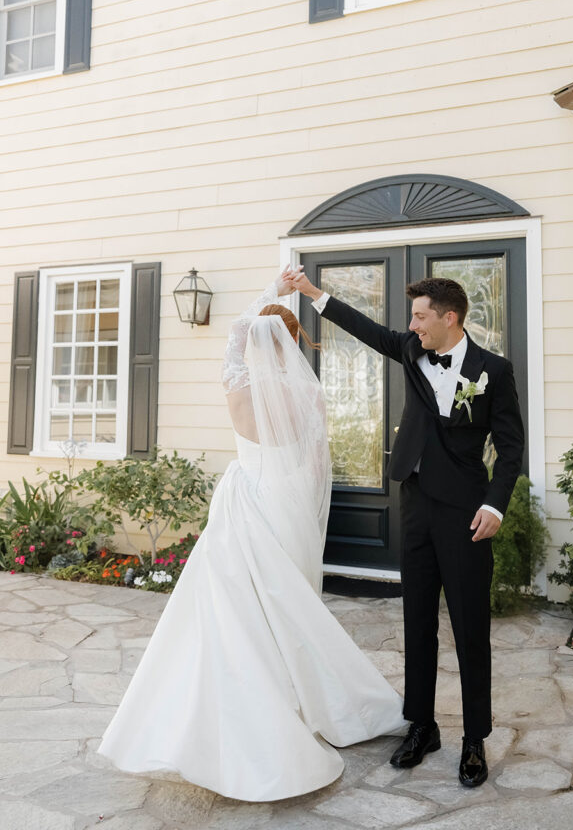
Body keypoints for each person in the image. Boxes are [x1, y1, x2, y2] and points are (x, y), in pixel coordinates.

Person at [97, 266, 405, 801]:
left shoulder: (237, 386)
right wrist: (307, 517)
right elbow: (315, 471)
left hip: (243, 500)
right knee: (289, 604)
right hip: (285, 505)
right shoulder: (309, 398)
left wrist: (273, 291)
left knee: (233, 607)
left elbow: (235, 336)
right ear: (291, 344)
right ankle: (303, 699)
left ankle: (236, 703)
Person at [291, 271, 524, 788]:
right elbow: (364, 328)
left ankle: (474, 740)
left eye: (421, 316)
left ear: (450, 318)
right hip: (415, 504)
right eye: (412, 316)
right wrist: (312, 293)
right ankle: (422, 726)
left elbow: (511, 449)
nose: (412, 325)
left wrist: (496, 506)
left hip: (466, 514)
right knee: (417, 622)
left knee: (469, 629)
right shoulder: (411, 350)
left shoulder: (495, 371)